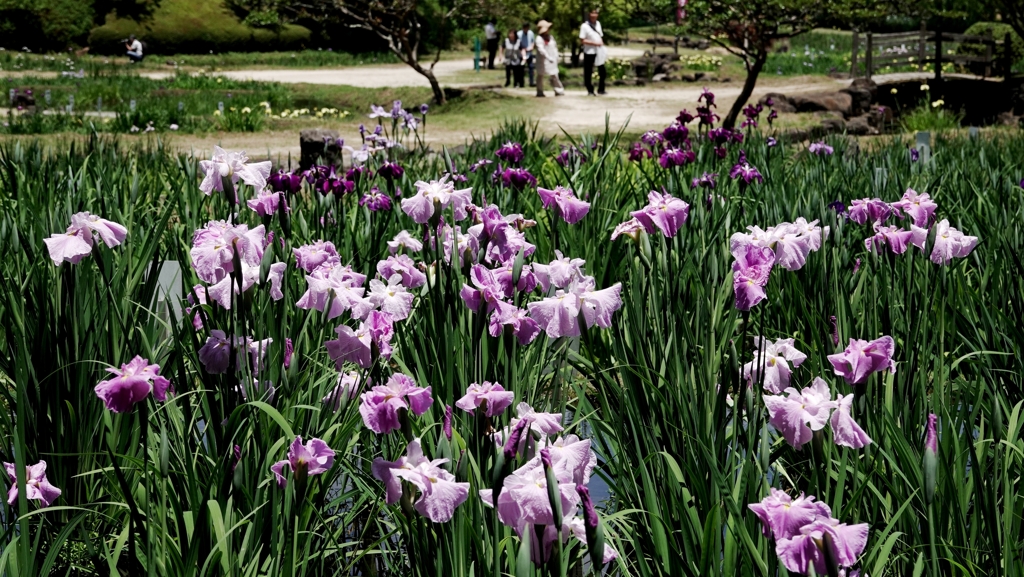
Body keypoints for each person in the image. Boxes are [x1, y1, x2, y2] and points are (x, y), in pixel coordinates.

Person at [579, 10, 606, 96]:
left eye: (596, 13)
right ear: (589, 14)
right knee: (588, 71)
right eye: (592, 13)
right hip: (589, 51)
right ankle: (590, 90)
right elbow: (582, 40)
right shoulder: (584, 26)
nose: (594, 15)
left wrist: (601, 44)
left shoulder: (598, 24)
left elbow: (600, 35)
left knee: (602, 70)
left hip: (599, 50)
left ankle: (601, 89)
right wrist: (595, 43)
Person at [535, 20, 564, 97]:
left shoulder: (551, 37)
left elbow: (554, 47)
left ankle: (559, 90)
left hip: (552, 59)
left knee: (554, 75)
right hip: (542, 60)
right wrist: (548, 57)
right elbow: (541, 50)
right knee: (540, 75)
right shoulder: (539, 39)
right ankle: (540, 91)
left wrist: (556, 56)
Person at [517, 23, 536, 87]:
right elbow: (518, 43)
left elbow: (533, 42)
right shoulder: (519, 34)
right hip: (522, 53)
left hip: (529, 53)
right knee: (521, 69)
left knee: (531, 68)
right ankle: (521, 83)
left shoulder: (531, 33)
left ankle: (531, 82)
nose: (526, 29)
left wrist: (531, 47)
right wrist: (522, 49)